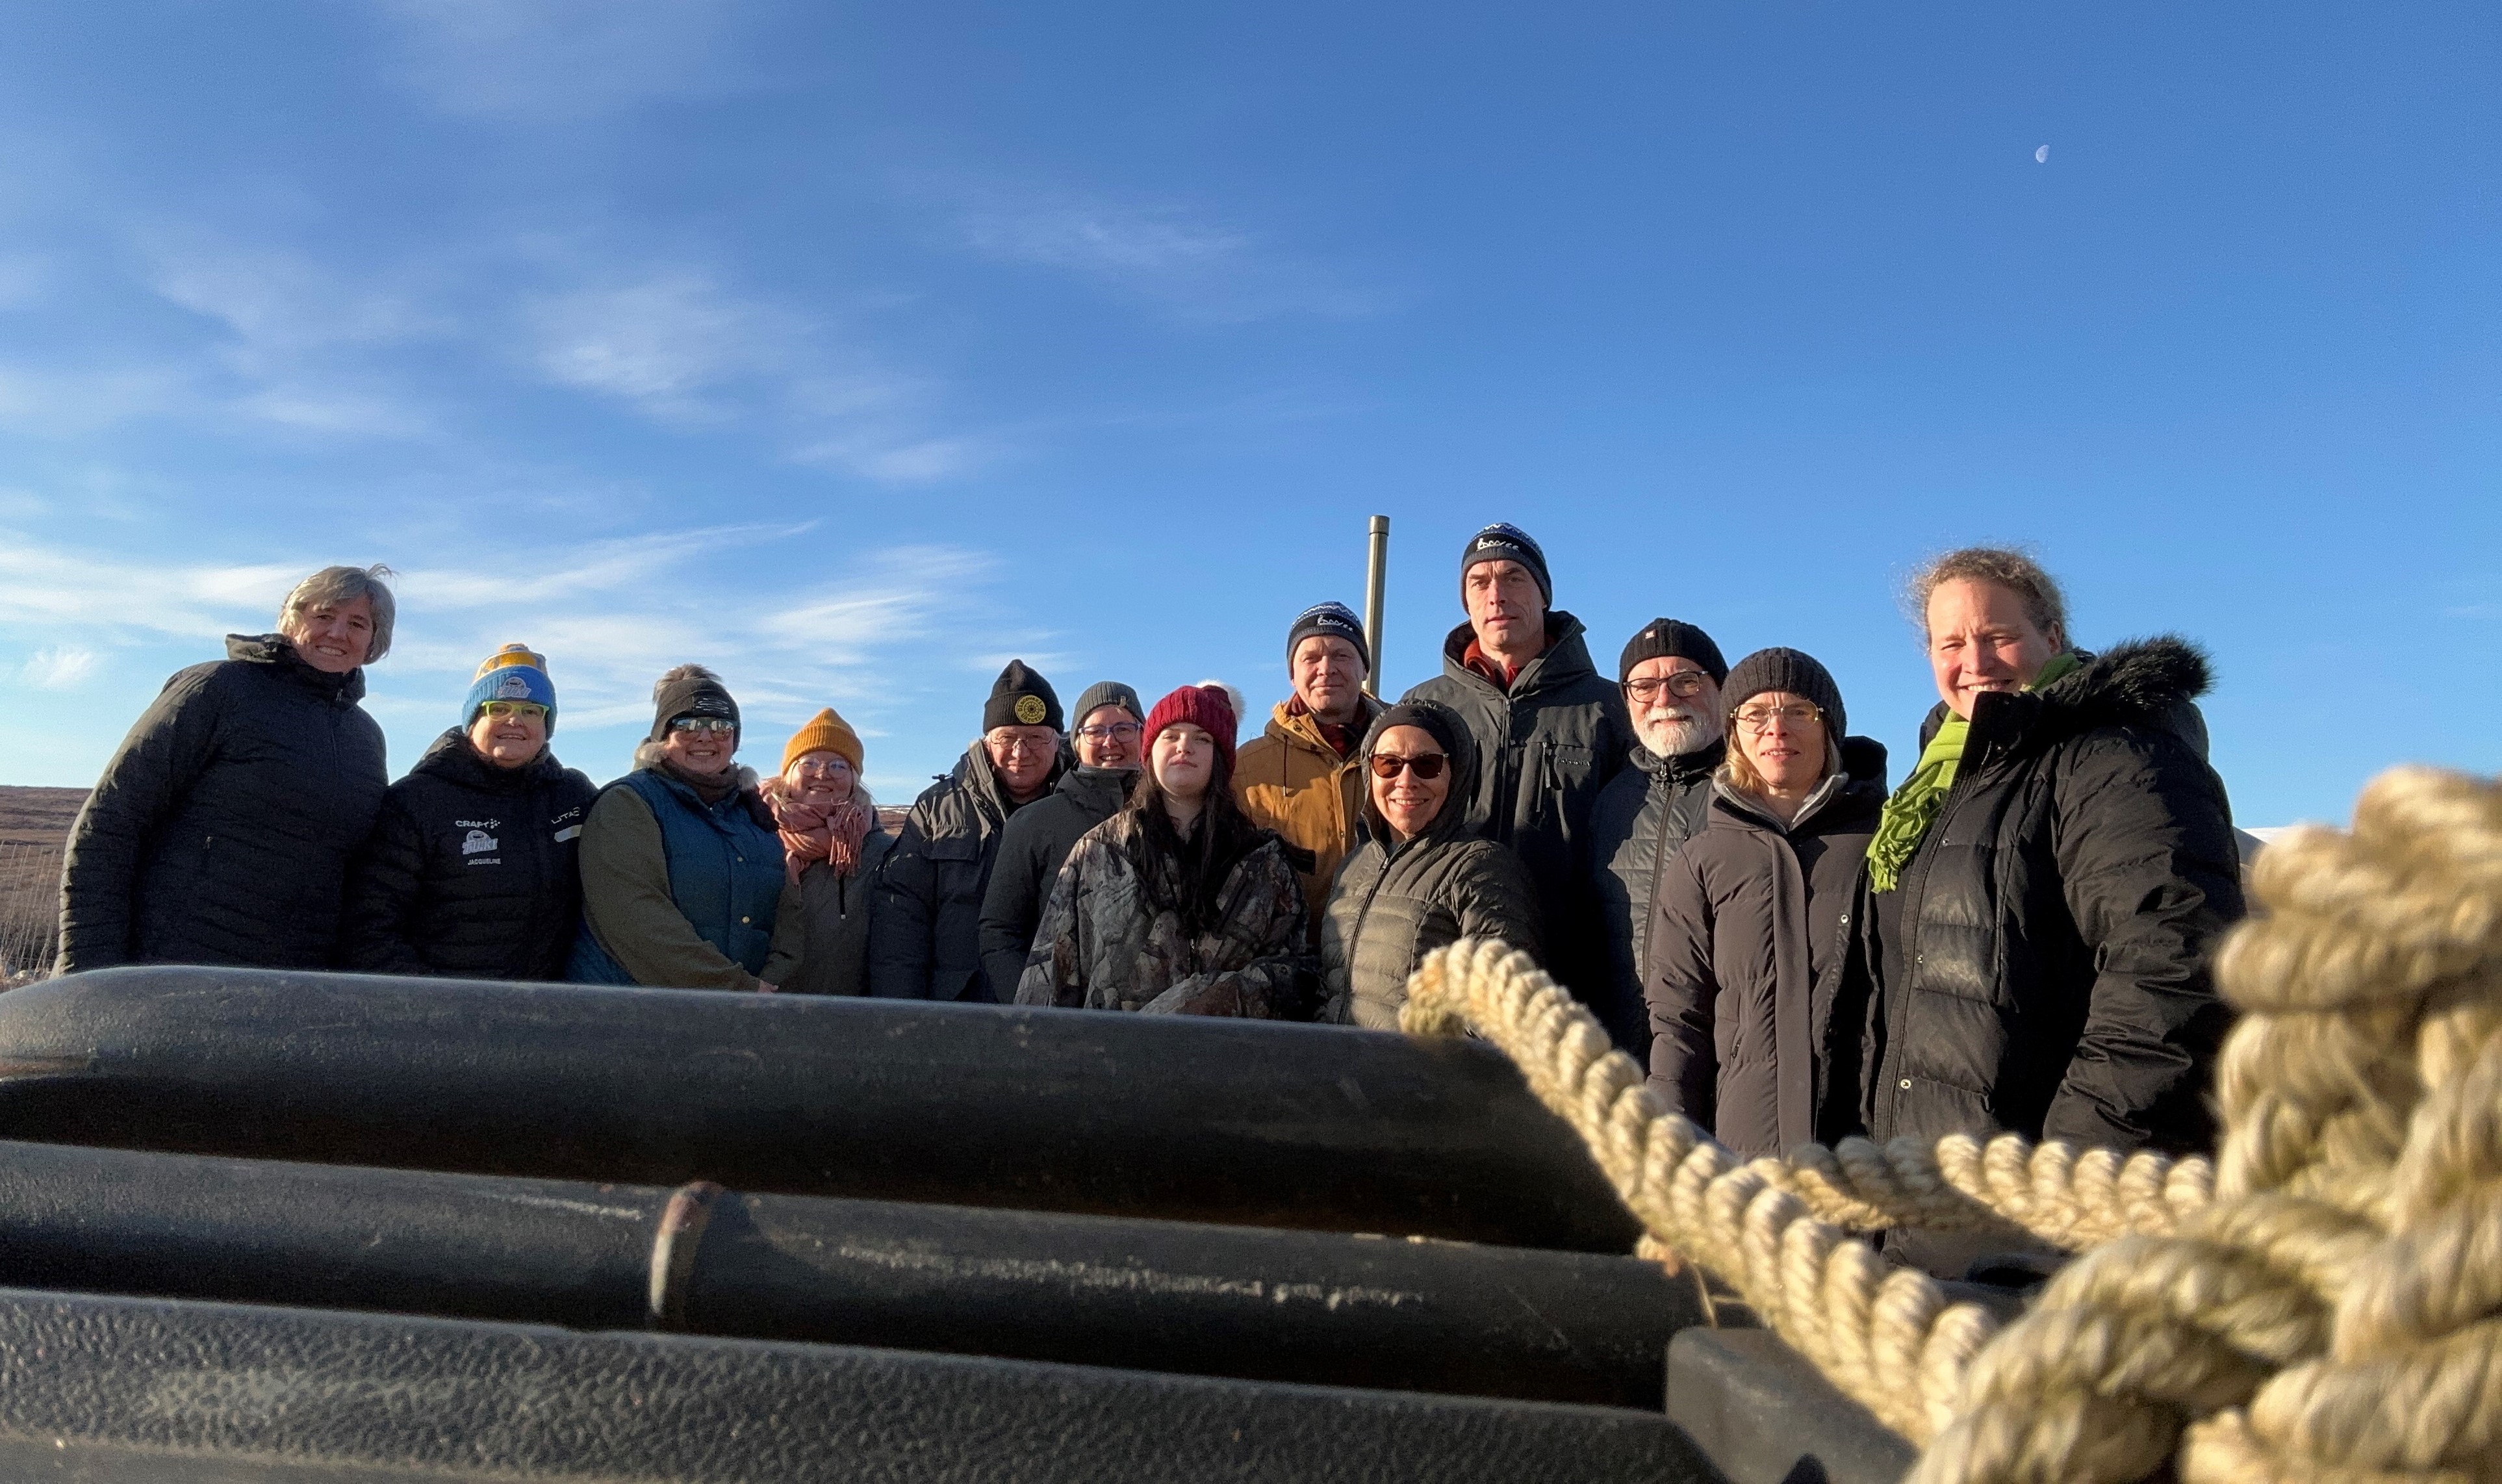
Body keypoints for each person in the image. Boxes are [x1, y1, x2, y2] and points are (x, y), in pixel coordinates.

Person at [1858, 548, 2242, 1165]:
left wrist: (2075, 1176)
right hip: (1932, 1177)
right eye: (1950, 644)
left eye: (1999, 636)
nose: (1974, 663)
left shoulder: (2114, 759)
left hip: (2035, 1198)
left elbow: (2172, 973)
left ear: (2052, 635)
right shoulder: (1943, 781)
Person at [57, 565, 396, 973]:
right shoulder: (217, 689)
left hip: (294, 987)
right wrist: (89, 968)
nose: (337, 633)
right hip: (169, 967)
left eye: (357, 623)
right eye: (323, 615)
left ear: (374, 641)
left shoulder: (365, 737)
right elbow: (111, 822)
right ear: (292, 619)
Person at [1644, 649, 1886, 1158]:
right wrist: (1669, 1157)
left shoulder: (1884, 840)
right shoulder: (1702, 858)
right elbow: (1678, 1021)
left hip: (1869, 1143)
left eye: (1798, 711)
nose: (1776, 729)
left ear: (1828, 728)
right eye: (1756, 714)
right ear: (1734, 733)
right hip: (1747, 1147)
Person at [1400, 523, 1634, 1017]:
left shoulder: (1609, 709)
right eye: (1479, 583)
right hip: (1446, 968)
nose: (1496, 595)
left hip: (1572, 980)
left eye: (1513, 578)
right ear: (1465, 601)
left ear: (1543, 595)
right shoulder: (1422, 708)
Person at [1015, 684, 1310, 1017]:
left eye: (1202, 738)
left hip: (1230, 1060)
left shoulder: (1264, 862)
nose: (1185, 746)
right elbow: (1048, 980)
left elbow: (1298, 978)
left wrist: (1219, 996)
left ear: (1221, 757)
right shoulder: (1098, 851)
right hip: (1115, 1060)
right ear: (1150, 752)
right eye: (1170, 736)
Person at [342, 644, 597, 981]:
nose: (514, 721)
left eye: (532, 711)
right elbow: (369, 927)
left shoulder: (572, 796)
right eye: (498, 707)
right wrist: (441, 1005)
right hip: (444, 1012)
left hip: (546, 1011)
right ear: (473, 719)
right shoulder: (417, 800)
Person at [1319, 699, 1540, 1029]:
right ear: (1370, 772)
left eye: (1427, 765)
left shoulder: (1479, 867)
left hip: (1415, 1078)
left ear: (1456, 775)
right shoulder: (1355, 865)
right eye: (1388, 764)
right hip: (1340, 1071)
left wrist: (1428, 1075)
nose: (1406, 781)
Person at [568, 665, 785, 991]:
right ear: (663, 736)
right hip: (634, 1012)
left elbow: (788, 912)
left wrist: (773, 982)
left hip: (740, 1014)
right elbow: (636, 916)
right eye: (687, 725)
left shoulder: (752, 813)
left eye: (721, 726)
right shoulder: (628, 803)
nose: (705, 736)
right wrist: (736, 987)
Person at [872, 660, 1067, 1001]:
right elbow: (902, 925)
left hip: (1059, 1010)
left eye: (1036, 737)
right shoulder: (935, 810)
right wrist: (901, 1015)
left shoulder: (1079, 810)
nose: (1021, 752)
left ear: (1058, 741)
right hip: (958, 1009)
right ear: (987, 742)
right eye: (1007, 738)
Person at [1585, 619, 1730, 1057]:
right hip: (1620, 1055)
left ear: (1722, 690)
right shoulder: (1610, 801)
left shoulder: (1749, 794)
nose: (1664, 699)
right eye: (1643, 686)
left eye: (1685, 681)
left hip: (1721, 1062)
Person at [977, 680, 1143, 997]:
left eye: (1124, 728)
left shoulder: (1169, 816)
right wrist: (1030, 1007)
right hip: (1061, 1019)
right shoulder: (1033, 824)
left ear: (1143, 735)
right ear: (1077, 743)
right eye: (1095, 731)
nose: (1110, 742)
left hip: (1156, 1019)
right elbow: (999, 933)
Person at [1234, 602, 1384, 945]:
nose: (1326, 668)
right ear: (1292, 673)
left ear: (1364, 668)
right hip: (1282, 964)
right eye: (1311, 658)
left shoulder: (1403, 753)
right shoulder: (1247, 767)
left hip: (1381, 960)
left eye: (1342, 655)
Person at [756, 707, 891, 996]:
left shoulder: (882, 853)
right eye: (808, 763)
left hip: (845, 1015)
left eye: (838, 766)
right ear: (788, 773)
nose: (822, 774)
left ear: (854, 778)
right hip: (755, 1009)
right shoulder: (752, 833)